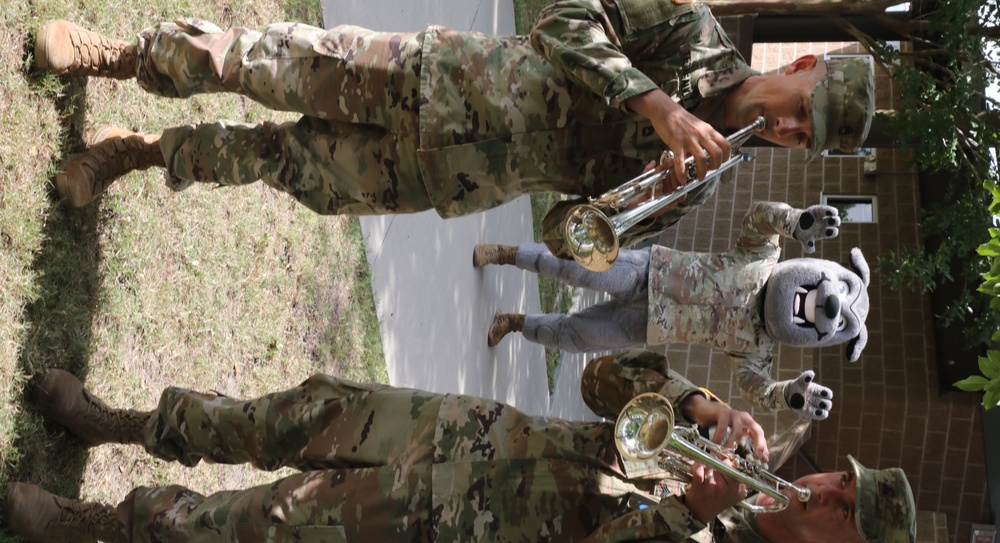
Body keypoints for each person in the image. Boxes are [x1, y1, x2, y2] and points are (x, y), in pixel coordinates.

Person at [6, 350, 915, 543]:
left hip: (442, 530)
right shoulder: (736, 438)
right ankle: (117, 422)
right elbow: (602, 382)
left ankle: (93, 522)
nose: (826, 485)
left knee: (258, 524)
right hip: (460, 431)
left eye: (843, 504)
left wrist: (693, 512)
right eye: (842, 476)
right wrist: (696, 399)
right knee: (282, 415)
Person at [33, 0, 875, 253]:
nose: (792, 129)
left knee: (277, 162)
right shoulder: (692, 34)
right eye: (804, 110)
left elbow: (564, 229)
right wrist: (652, 103)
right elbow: (566, 18)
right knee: (262, 63)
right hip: (438, 78)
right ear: (799, 68)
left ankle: (136, 155)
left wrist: (641, 205)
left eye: (807, 138)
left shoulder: (710, 175)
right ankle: (115, 58)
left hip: (452, 178)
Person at [479, 200, 871, 420]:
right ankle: (506, 254)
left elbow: (755, 390)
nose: (827, 304)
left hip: (646, 326)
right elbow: (757, 218)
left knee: (575, 337)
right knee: (572, 266)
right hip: (648, 273)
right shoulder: (763, 257)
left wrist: (788, 395)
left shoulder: (757, 348)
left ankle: (514, 323)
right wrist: (795, 221)